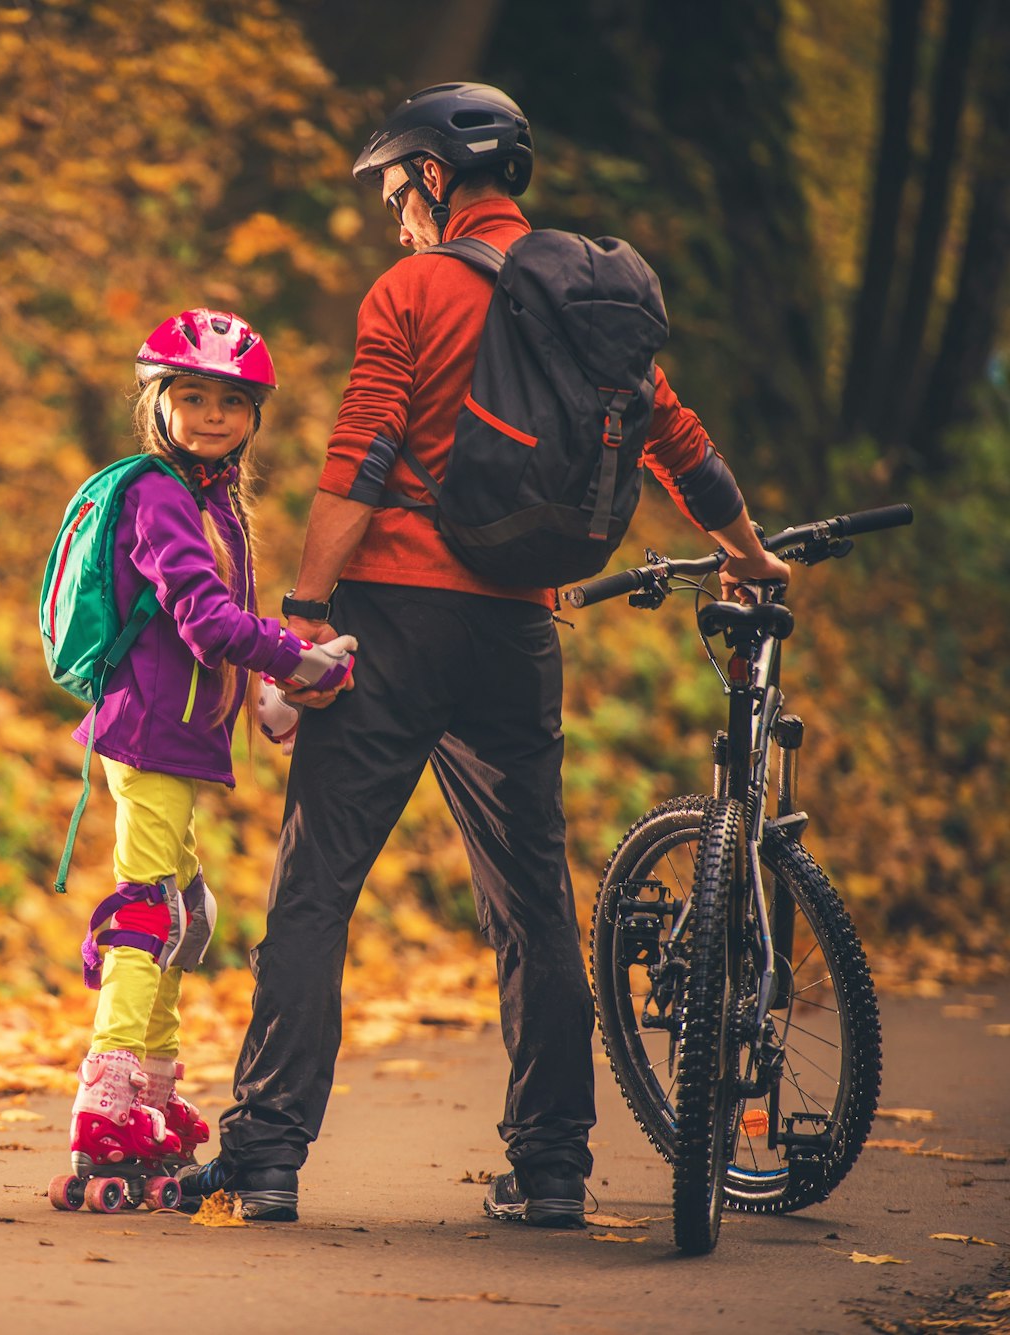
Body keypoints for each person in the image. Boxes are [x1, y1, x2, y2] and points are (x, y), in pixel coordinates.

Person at [179, 83, 792, 1226]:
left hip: (392, 619)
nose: (393, 217)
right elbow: (674, 438)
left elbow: (357, 456)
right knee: (529, 904)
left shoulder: (412, 288)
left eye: (394, 190)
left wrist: (305, 611)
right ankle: (552, 1165)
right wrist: (745, 555)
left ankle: (265, 1157)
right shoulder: (587, 292)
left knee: (315, 890)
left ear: (429, 179)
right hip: (516, 628)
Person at [61, 310, 356, 1187]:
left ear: (254, 414)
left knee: (183, 912)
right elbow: (201, 615)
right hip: (148, 731)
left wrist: (266, 686)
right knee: (146, 912)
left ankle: (150, 1085)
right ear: (158, 405)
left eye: (231, 400)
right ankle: (106, 1096)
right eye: (192, 397)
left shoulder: (213, 498)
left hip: (179, 734)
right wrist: (293, 655)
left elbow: (217, 628)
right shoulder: (158, 493)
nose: (214, 414)